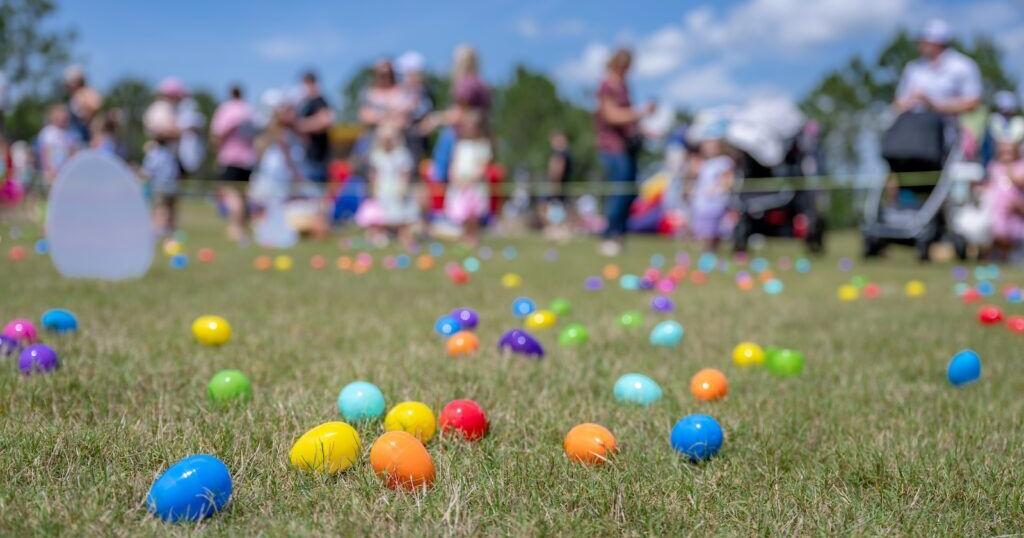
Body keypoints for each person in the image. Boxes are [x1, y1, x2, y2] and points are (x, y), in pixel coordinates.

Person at [594, 48, 654, 256]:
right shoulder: (607, 85)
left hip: (627, 148)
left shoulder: (624, 87)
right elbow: (611, 116)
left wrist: (645, 129)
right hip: (612, 148)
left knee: (628, 192)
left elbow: (628, 120)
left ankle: (619, 236)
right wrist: (641, 112)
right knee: (619, 192)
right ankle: (609, 235)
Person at [354, 123, 417, 248]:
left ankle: (401, 236)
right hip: (382, 189)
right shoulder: (376, 154)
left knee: (401, 216)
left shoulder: (402, 154)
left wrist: (403, 188)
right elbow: (374, 175)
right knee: (378, 214)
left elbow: (405, 174)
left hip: (397, 189)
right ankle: (378, 234)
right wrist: (373, 189)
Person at [210, 84, 257, 240]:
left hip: (230, 158)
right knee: (242, 195)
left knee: (232, 193)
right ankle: (242, 228)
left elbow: (219, 132)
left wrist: (217, 150)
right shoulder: (249, 110)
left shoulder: (227, 109)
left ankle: (235, 228)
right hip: (248, 158)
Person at [445, 111, 492, 246]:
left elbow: (483, 166)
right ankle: (464, 236)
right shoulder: (459, 144)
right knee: (461, 212)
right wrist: (455, 178)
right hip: (459, 183)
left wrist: (470, 181)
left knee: (473, 213)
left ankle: (473, 236)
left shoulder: (482, 145)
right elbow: (454, 163)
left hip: (474, 184)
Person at [688, 123, 736, 252]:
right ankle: (705, 251)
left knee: (713, 230)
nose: (708, 148)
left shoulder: (724, 161)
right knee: (701, 229)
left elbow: (728, 179)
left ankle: (711, 250)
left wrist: (718, 189)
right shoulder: (704, 163)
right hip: (701, 202)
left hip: (716, 202)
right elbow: (695, 177)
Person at [981, 136, 1024, 261]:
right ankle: (998, 256)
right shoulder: (994, 166)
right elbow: (991, 184)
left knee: (1011, 234)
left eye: (1010, 151)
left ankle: (1010, 256)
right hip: (996, 211)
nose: (1006, 154)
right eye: (1004, 150)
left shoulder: (1020, 166)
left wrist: (1008, 167)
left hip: (1014, 212)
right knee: (996, 232)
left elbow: (1019, 181)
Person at [295, 71, 335, 183]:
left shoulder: (319, 101)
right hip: (306, 158)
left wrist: (301, 125)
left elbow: (325, 121)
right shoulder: (305, 103)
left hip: (317, 160)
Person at [142, 136, 181, 236]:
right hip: (173, 185)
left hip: (160, 185)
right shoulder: (170, 154)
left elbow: (148, 172)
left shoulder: (154, 154)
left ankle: (159, 229)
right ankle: (171, 230)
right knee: (170, 209)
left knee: (159, 208)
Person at [37, 105, 80, 184]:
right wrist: (49, 168)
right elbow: (46, 151)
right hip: (52, 171)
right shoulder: (49, 131)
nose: (63, 119)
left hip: (65, 170)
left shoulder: (69, 133)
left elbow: (73, 152)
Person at [63, 65, 103, 145]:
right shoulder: (73, 97)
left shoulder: (88, 93)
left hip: (86, 135)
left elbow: (95, 107)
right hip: (74, 137)